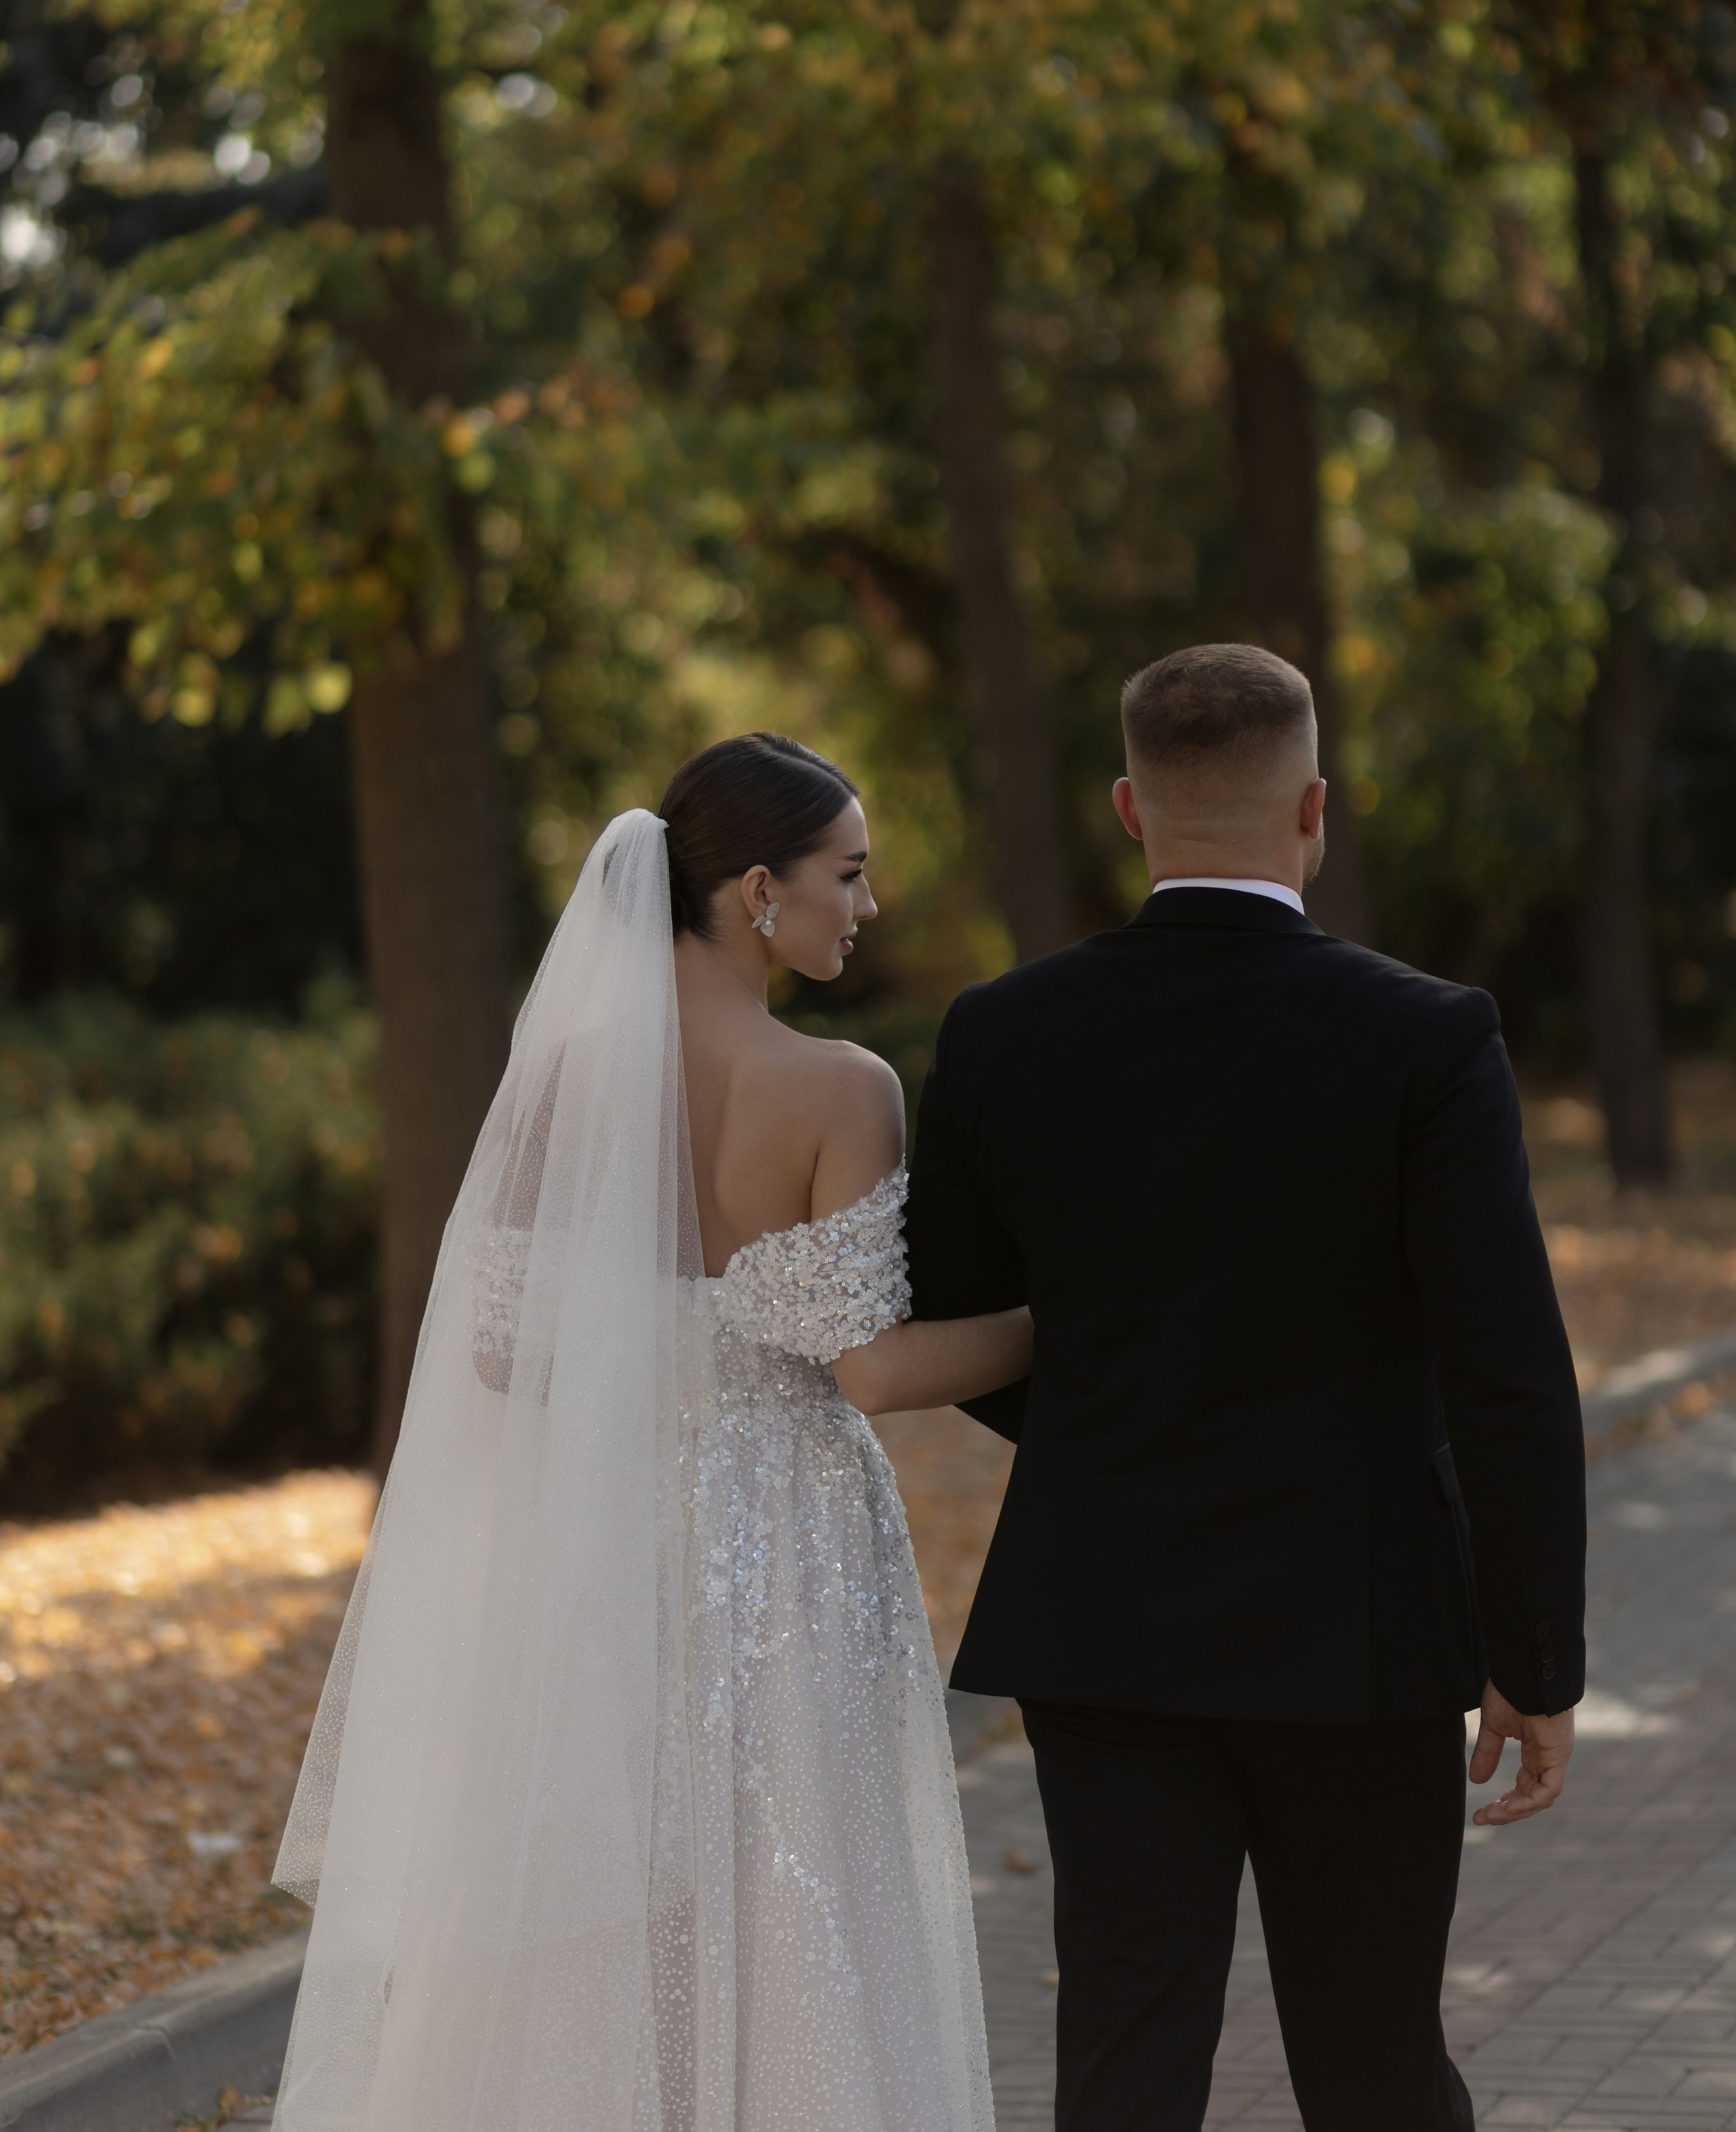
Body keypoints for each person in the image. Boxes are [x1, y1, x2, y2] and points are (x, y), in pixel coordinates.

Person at [271, 733, 1029, 2132]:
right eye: (848, 873)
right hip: (789, 1541)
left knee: (610, 1882)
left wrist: (660, 1355)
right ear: (758, 891)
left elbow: (499, 1352)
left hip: (608, 1521)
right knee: (798, 1872)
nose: (866, 905)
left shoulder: (564, 1078)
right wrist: (1059, 1326)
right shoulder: (842, 1087)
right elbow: (869, 1370)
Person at [904, 644, 1586, 2132]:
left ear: (1129, 810)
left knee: (1125, 2067)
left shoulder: (1003, 1029)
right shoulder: (1425, 1034)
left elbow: (951, 1313)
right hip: (1359, 1622)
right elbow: (1508, 1372)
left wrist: (1109, 1415)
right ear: (1313, 808)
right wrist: (1534, 1652)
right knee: (1373, 2063)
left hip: (1104, 1619)